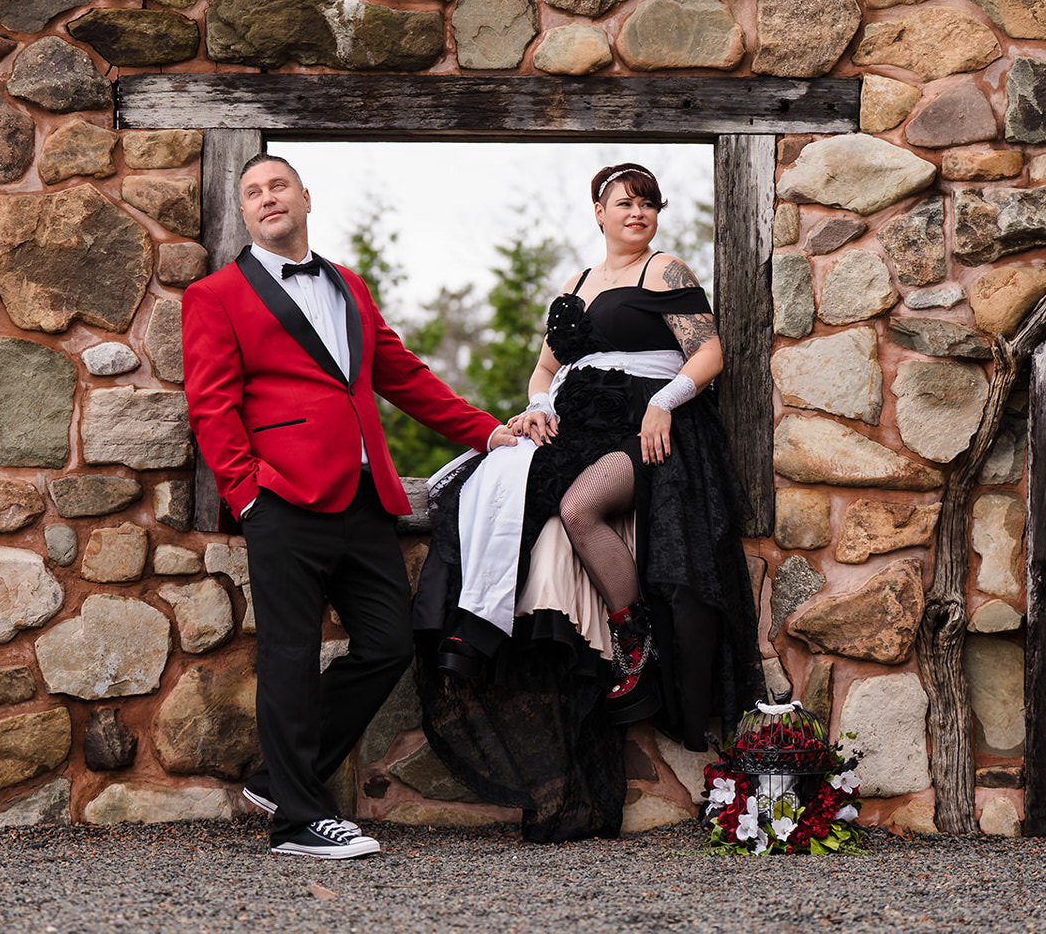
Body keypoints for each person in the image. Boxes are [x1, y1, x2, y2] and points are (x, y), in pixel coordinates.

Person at [181, 154, 516, 859]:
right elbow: (212, 406)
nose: (267, 199)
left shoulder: (348, 286)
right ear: (243, 213)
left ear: (305, 197)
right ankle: (300, 822)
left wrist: (488, 430)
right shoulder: (215, 295)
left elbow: (404, 376)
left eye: (278, 186)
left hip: (365, 500)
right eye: (253, 194)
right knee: (290, 657)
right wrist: (248, 493)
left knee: (390, 644)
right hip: (282, 502)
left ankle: (280, 779)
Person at [416, 163, 763, 842]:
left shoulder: (664, 270)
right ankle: (474, 633)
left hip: (647, 428)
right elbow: (544, 369)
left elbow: (710, 351)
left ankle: (636, 642)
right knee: (490, 490)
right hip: (578, 427)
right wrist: (538, 408)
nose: (638, 213)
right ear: (598, 212)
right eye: (624, 203)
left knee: (578, 509)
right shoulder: (575, 285)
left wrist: (664, 403)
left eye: (648, 203)